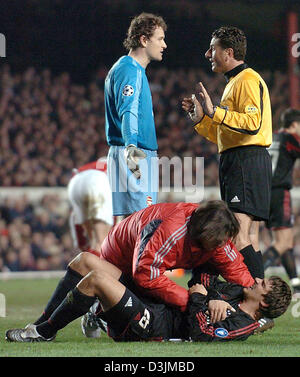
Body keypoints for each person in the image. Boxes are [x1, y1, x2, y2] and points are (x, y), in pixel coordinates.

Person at [5, 260, 291, 343]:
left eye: (261, 284)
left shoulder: (241, 324)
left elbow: (201, 333)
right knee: (85, 261)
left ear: (264, 301)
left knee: (95, 280)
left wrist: (202, 302)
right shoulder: (237, 293)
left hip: (155, 326)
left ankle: (42, 334)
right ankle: (48, 324)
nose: (255, 281)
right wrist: (209, 298)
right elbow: (202, 280)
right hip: (156, 305)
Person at [182, 26, 272, 280]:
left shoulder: (247, 79)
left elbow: (252, 124)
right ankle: (259, 299)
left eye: (213, 48)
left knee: (237, 234)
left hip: (245, 161)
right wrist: (202, 119)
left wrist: (216, 112)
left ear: (229, 52)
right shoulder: (236, 82)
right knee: (249, 236)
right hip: (244, 158)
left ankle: (256, 302)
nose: (208, 53)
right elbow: (227, 135)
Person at [105, 13, 167, 219]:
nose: (164, 45)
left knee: (132, 227)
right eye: (160, 39)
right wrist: (132, 147)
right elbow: (127, 110)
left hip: (134, 151)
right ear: (143, 39)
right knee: (140, 224)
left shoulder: (131, 69)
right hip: (134, 152)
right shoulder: (129, 70)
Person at [263, 108, 300, 297]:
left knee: (285, 241)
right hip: (279, 192)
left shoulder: (272, 137)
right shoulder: (291, 138)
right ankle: (255, 274)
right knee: (284, 241)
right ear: (294, 125)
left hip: (264, 193)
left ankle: (296, 284)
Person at [67, 158, 114, 255]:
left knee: (93, 241)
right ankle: (97, 268)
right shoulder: (119, 165)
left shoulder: (97, 163)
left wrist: (80, 242)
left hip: (75, 181)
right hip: (98, 180)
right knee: (102, 242)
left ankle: (87, 265)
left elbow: (74, 216)